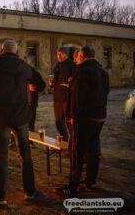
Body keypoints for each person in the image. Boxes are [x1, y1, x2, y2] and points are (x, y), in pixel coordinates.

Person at [0, 39, 36, 205]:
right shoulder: (24, 67)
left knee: (1, 156)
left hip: (2, 117)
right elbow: (38, 82)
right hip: (21, 118)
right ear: (16, 51)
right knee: (25, 155)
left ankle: (0, 196)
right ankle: (30, 191)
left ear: (1, 51)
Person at [56, 46, 109, 197]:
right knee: (93, 149)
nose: (76, 59)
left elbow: (79, 96)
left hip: (83, 118)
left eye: (77, 56)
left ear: (82, 56)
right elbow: (106, 92)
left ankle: (73, 186)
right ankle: (90, 182)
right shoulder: (103, 72)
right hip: (99, 116)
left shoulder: (82, 71)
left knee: (76, 151)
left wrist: (73, 116)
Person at [49, 47, 76, 141]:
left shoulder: (72, 65)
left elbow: (75, 81)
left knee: (69, 122)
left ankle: (73, 143)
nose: (59, 56)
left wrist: (70, 83)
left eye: (61, 54)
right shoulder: (57, 65)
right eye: (57, 54)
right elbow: (54, 80)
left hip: (67, 98)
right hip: (57, 98)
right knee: (58, 122)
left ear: (66, 54)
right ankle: (65, 140)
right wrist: (51, 84)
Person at [23, 57, 46, 133]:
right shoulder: (18, 73)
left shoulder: (35, 74)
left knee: (30, 124)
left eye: (26, 62)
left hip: (31, 103)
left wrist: (36, 87)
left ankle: (30, 143)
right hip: (20, 103)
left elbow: (42, 85)